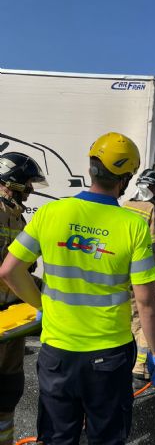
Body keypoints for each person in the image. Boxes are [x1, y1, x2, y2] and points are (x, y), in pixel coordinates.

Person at [0, 132, 155, 445]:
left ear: (90, 168)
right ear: (127, 178)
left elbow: (9, 270)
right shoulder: (133, 225)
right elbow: (146, 302)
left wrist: (42, 305)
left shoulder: (50, 213)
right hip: (109, 355)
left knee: (58, 437)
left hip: (57, 353)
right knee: (106, 437)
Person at [0, 151, 47, 445]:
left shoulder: (14, 212)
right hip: (3, 314)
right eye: (28, 182)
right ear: (12, 179)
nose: (31, 189)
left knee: (8, 390)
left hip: (11, 315)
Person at [122, 169, 155, 388]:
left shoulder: (124, 206)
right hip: (144, 274)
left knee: (132, 319)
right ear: (153, 189)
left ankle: (131, 364)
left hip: (123, 273)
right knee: (146, 320)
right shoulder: (151, 210)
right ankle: (140, 368)